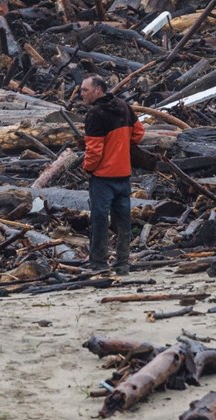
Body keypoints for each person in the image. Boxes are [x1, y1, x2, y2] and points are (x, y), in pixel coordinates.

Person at [80, 75, 145, 275]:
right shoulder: (123, 106)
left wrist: (87, 168)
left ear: (98, 90)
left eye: (85, 90)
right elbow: (139, 133)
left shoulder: (95, 115)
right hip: (123, 174)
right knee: (123, 221)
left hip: (103, 178)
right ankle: (122, 263)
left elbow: (94, 151)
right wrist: (122, 147)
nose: (81, 94)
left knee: (99, 220)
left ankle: (99, 263)